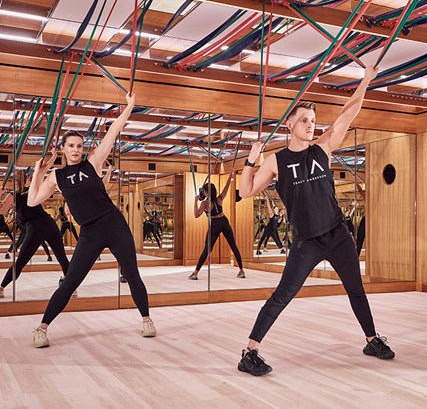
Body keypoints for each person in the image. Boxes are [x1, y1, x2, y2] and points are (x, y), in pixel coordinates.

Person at [237, 65, 394, 376]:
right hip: (306, 241)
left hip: (337, 235)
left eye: (313, 121)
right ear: (291, 125)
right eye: (305, 121)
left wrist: (365, 81)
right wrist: (250, 161)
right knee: (283, 294)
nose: (310, 125)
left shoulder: (323, 149)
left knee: (356, 289)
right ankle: (249, 352)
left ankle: (371, 339)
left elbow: (348, 114)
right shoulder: (277, 161)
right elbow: (246, 191)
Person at [27, 93, 156, 348]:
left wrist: (129, 106)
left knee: (132, 273)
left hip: (114, 225)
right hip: (89, 232)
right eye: (71, 146)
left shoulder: (93, 163)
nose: (76, 150)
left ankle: (146, 319)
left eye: (79, 146)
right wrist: (37, 173)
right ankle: (42, 328)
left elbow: (115, 131)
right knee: (71, 281)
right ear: (63, 149)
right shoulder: (56, 177)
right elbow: (32, 201)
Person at [0, 170, 70, 299]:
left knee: (20, 262)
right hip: (49, 224)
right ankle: (71, 288)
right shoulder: (33, 189)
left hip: (34, 227)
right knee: (62, 258)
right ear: (26, 180)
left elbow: (2, 211)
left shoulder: (13, 195)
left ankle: (1, 287)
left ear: (13, 181)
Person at [188, 170, 245, 280]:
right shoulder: (219, 199)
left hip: (215, 224)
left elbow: (196, 215)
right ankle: (241, 271)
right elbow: (227, 186)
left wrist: (195, 201)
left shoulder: (205, 203)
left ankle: (195, 273)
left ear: (206, 192)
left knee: (207, 249)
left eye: (204, 191)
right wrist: (231, 175)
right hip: (224, 221)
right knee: (233, 246)